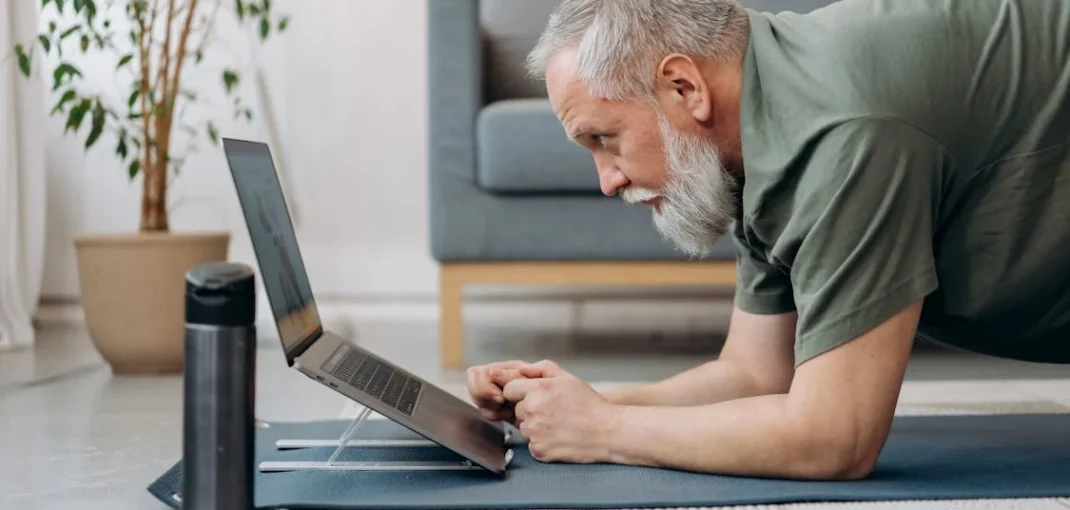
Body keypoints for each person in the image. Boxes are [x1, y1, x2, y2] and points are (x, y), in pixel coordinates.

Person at [465, 0, 1070, 481]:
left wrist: (605, 433)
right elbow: (754, 374)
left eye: (605, 139)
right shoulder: (752, 130)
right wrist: (575, 407)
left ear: (683, 88)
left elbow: (837, 439)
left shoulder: (839, 135)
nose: (607, 180)